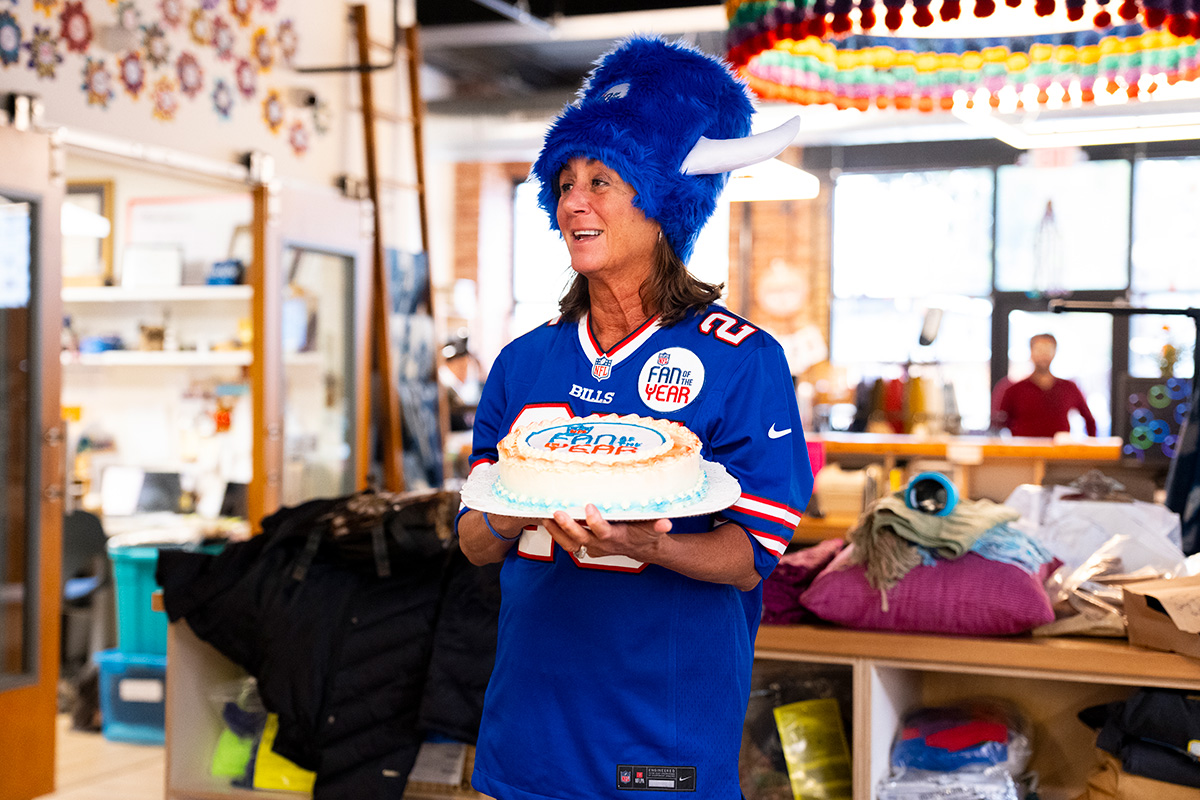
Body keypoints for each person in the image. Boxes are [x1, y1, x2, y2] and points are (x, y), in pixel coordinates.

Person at [454, 36, 814, 800]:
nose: (573, 201)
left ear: (660, 201)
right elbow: (474, 542)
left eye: (602, 181)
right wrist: (517, 512)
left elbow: (751, 554)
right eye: (565, 182)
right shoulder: (523, 362)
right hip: (531, 722)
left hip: (663, 728)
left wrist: (644, 544)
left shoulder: (743, 359)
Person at [998, 333, 1097, 437]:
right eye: (1039, 349)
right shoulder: (1014, 389)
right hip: (1024, 451)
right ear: (1031, 352)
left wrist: (1089, 449)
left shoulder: (1069, 387)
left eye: (1047, 349)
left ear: (1054, 352)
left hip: (1059, 451)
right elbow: (999, 424)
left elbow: (1090, 421)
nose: (1043, 354)